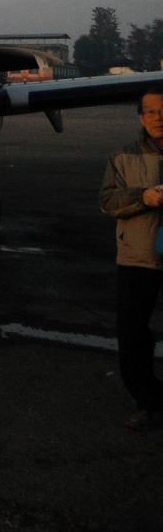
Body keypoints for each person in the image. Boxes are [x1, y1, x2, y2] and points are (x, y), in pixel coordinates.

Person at [98, 88, 163, 431]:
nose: (158, 118)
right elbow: (108, 202)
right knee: (132, 333)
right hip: (138, 257)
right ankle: (148, 400)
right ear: (140, 117)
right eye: (150, 112)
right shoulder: (122, 157)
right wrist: (143, 196)